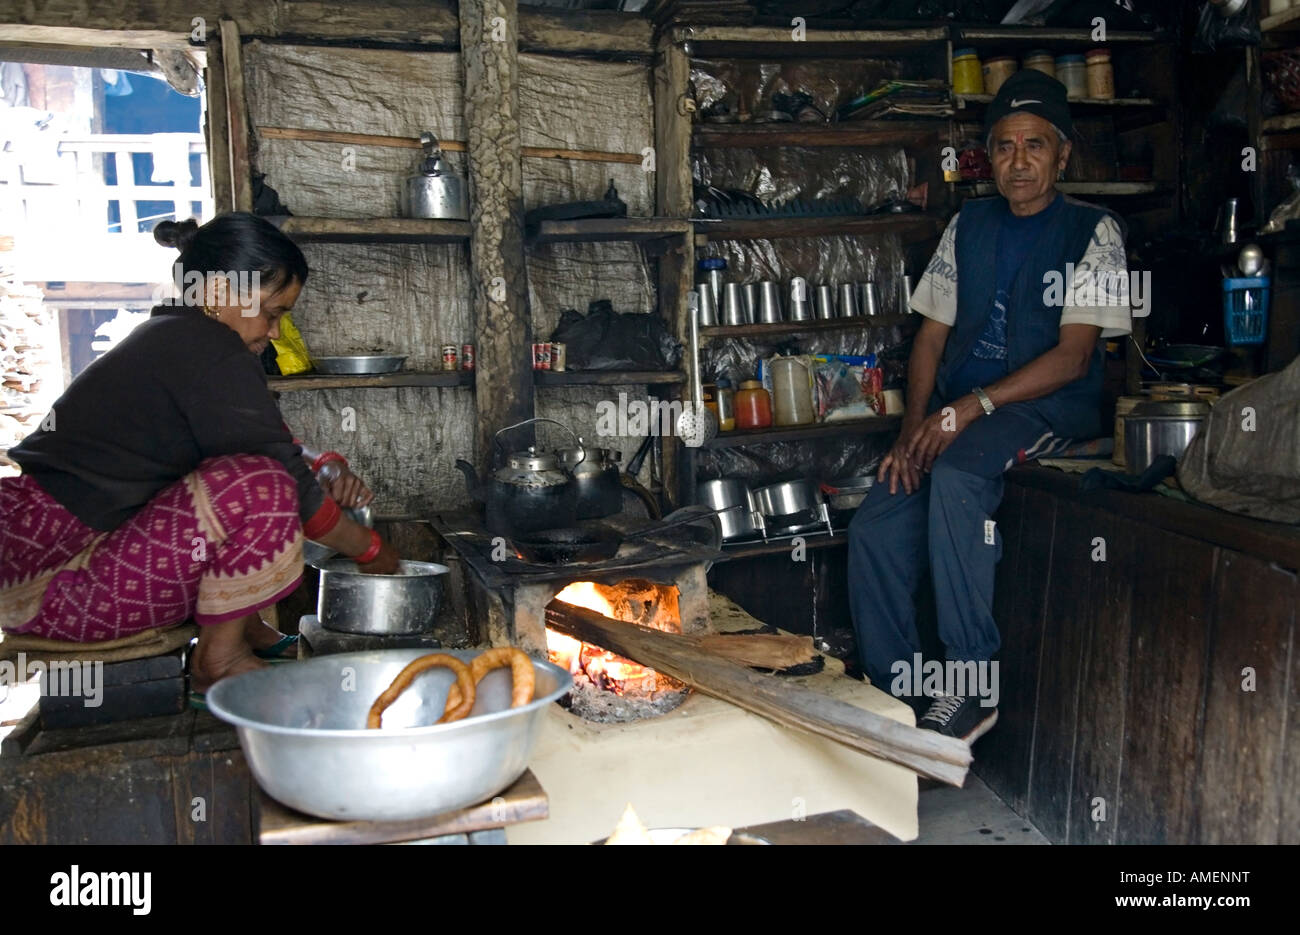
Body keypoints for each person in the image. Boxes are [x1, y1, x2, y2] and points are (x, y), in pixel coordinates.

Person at [0, 212, 401, 697]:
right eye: (272, 312)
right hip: (55, 582)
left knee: (234, 481)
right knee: (261, 488)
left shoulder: (178, 339)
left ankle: (246, 632)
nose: (275, 332)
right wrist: (371, 551)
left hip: (38, 563)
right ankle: (221, 657)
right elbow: (285, 481)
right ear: (216, 294)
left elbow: (257, 441)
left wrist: (324, 465)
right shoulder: (211, 350)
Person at [847, 70, 1132, 742]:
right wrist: (916, 424)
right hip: (958, 411)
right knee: (876, 525)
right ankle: (901, 700)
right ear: (990, 157)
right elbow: (930, 338)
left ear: (1062, 154)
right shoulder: (968, 225)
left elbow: (1073, 358)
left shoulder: (1094, 232)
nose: (1019, 160)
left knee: (958, 476)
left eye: (1035, 145)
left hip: (1045, 409)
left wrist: (970, 407)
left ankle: (972, 683)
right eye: (1004, 147)